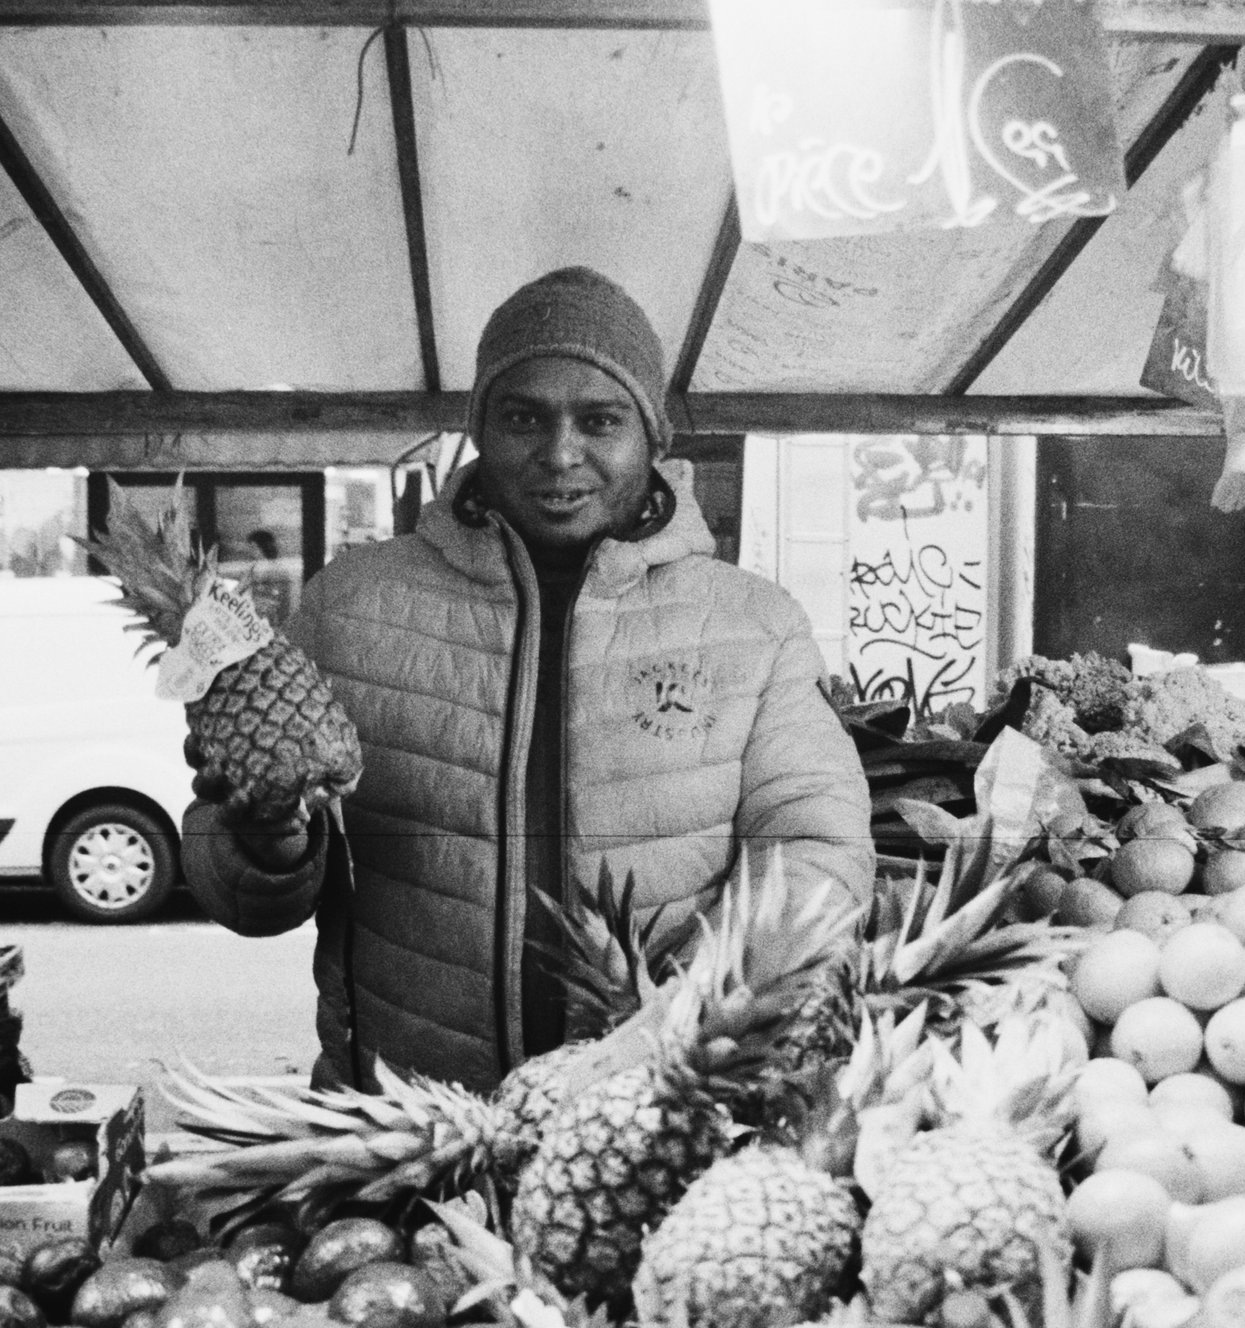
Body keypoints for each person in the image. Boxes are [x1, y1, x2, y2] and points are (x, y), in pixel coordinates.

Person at [182, 267, 873, 1093]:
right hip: (406, 1123)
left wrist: (681, 1018)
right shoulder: (350, 607)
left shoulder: (753, 626)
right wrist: (263, 842)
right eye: (523, 416)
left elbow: (817, 847)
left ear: (653, 437)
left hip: (662, 1112)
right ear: (480, 430)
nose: (559, 452)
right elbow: (254, 902)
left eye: (600, 419)